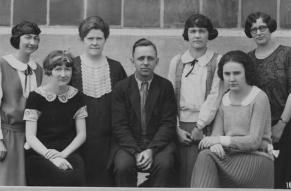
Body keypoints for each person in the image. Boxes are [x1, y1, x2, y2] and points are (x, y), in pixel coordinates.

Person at [191, 50, 274, 188]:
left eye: (237, 73)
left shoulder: (259, 97)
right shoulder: (224, 98)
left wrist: (220, 141)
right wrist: (215, 144)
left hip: (257, 158)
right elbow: (216, 135)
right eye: (227, 74)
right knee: (206, 155)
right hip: (230, 158)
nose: (231, 79)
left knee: (206, 157)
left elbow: (253, 141)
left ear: (246, 72)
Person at [111, 38, 177, 187]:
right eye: (141, 58)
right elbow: (119, 126)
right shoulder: (121, 88)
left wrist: (151, 150)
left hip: (159, 144)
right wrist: (135, 152)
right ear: (132, 60)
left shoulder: (165, 86)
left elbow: (168, 123)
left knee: (165, 165)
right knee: (123, 166)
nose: (146, 62)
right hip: (129, 144)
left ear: (157, 61)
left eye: (150, 58)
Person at [167, 13, 224, 187]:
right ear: (187, 34)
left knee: (198, 174)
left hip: (206, 126)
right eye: (193, 31)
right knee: (178, 173)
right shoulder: (177, 61)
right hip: (180, 126)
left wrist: (199, 126)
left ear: (209, 34)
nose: (197, 35)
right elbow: (169, 98)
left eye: (202, 31)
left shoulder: (217, 61)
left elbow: (216, 96)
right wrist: (176, 128)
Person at [70, 16, 127, 186]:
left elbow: (125, 107)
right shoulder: (72, 67)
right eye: (90, 38)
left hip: (110, 142)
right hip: (79, 140)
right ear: (82, 39)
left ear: (105, 39)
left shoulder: (116, 68)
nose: (95, 43)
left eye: (99, 38)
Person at [24, 50, 87, 186]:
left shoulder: (77, 97)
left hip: (68, 151)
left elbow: (81, 134)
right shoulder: (36, 97)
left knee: (76, 177)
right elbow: (30, 136)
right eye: (58, 69)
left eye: (67, 69)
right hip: (39, 153)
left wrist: (63, 154)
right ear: (49, 71)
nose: (63, 74)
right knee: (61, 178)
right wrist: (51, 157)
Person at [244, 12, 291, 189]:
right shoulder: (248, 59)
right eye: (254, 29)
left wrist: (281, 124)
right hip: (257, 128)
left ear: (270, 27)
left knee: (284, 178)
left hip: (286, 124)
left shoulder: (287, 53)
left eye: (262, 27)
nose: (258, 32)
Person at [0, 21, 43, 185]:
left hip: (30, 137)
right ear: (17, 38)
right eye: (28, 37)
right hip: (7, 136)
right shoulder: (3, 65)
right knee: (7, 182)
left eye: (36, 38)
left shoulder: (37, 69)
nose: (32, 42)